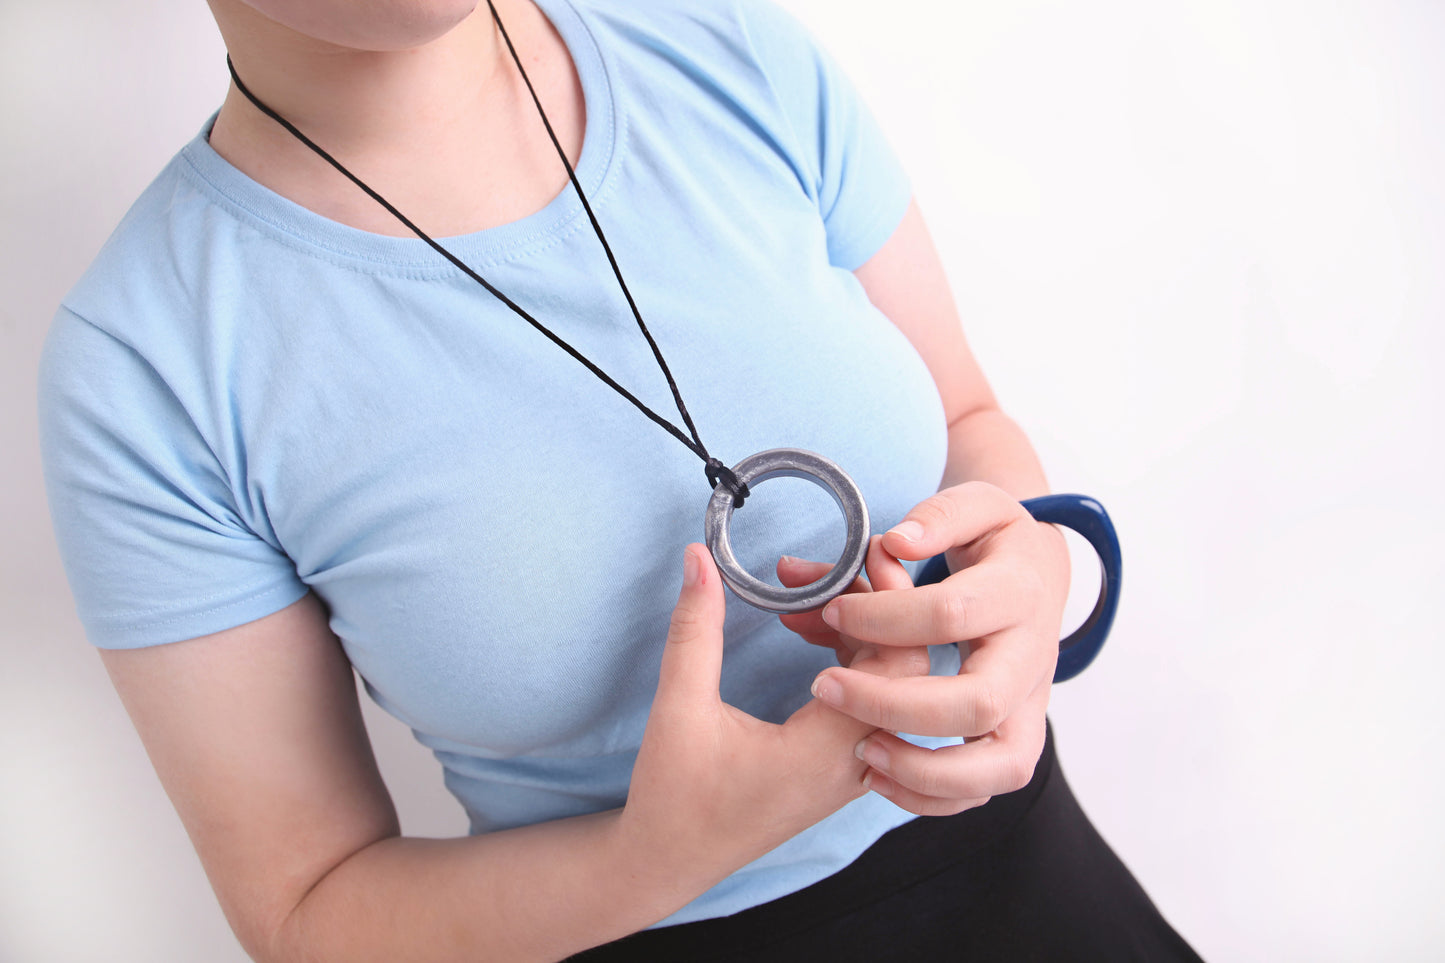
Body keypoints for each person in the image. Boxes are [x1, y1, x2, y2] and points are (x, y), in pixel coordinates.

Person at [37, 0, 1201, 958]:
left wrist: (1027, 574)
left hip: (1041, 890)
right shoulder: (147, 363)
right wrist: (652, 858)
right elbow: (306, 910)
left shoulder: (727, 49)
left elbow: (966, 419)